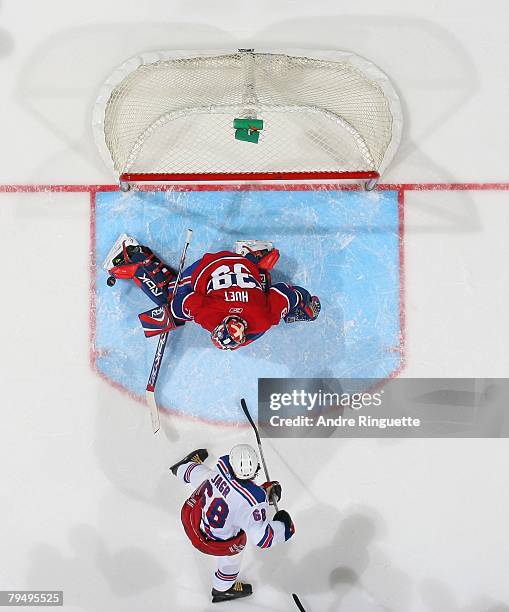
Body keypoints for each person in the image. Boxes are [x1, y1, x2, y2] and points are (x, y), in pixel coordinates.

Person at [104, 236, 321, 350]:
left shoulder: (265, 319)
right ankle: (134, 258)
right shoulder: (208, 314)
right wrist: (174, 315)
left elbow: (285, 292)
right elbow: (178, 305)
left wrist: (305, 304)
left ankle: (253, 258)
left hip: (241, 268)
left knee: (262, 291)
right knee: (168, 294)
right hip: (210, 265)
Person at [170, 444, 295, 603]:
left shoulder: (223, 466)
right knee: (234, 552)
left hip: (191, 518)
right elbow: (262, 538)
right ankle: (222, 589)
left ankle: (183, 468)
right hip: (213, 543)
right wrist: (283, 527)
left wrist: (263, 493)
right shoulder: (253, 502)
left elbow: (234, 491)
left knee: (206, 478)